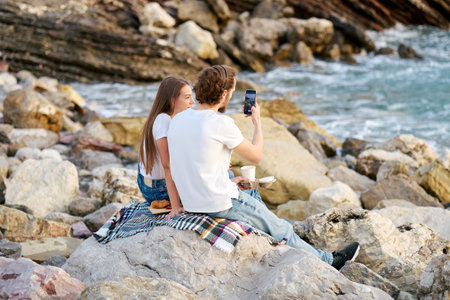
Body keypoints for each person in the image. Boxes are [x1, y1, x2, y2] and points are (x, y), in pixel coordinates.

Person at [167, 65, 360, 270]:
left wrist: (228, 180)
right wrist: (257, 123)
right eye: (231, 92)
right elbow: (256, 156)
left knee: (250, 193)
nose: (231, 96)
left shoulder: (178, 119)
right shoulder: (219, 123)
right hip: (218, 203)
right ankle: (329, 262)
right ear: (223, 94)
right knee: (280, 228)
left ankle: (278, 229)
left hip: (191, 202)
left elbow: (193, 163)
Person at [138, 76, 195, 219]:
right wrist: (175, 206)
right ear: (172, 99)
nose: (192, 102)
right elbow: (168, 165)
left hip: (145, 181)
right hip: (157, 190)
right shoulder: (164, 120)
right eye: (187, 97)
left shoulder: (158, 117)